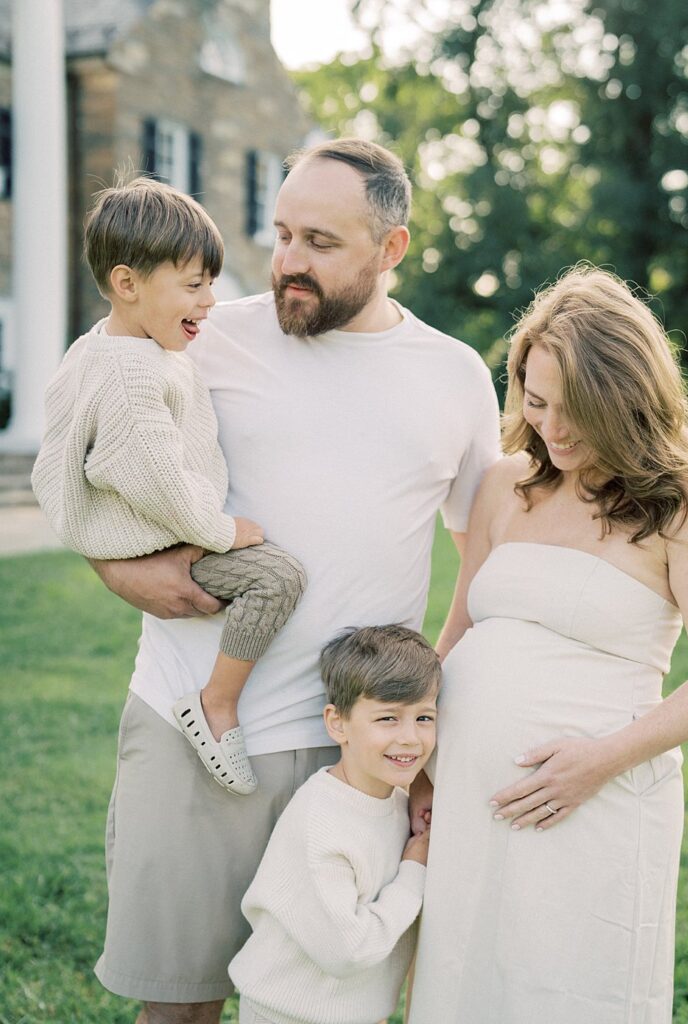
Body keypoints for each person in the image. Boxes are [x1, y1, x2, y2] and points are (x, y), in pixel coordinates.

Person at [85, 138, 501, 1023]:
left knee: (322, 1008)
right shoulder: (197, 333)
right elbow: (83, 450)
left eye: (320, 241)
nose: (287, 264)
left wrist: (425, 716)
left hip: (355, 751)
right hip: (189, 718)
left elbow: (481, 554)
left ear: (391, 249)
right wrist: (119, 568)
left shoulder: (455, 375)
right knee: (179, 1004)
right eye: (280, 235)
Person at [408, 265, 688, 1024]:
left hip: (594, 799)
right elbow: (461, 626)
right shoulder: (505, 485)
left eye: (577, 410)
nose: (554, 428)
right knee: (464, 979)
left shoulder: (686, 504)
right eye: (537, 402)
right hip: (469, 796)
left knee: (567, 993)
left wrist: (598, 761)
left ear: (627, 398)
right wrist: (418, 758)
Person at [31, 177, 307, 796]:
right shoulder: (132, 377)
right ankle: (215, 707)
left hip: (144, 533)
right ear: (128, 284)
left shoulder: (103, 347)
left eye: (209, 282)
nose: (209, 301)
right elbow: (157, 480)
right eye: (193, 285)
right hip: (158, 543)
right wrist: (221, 531)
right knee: (277, 578)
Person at [230, 624, 439, 1024]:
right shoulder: (321, 826)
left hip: (355, 1011)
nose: (411, 737)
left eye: (424, 717)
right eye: (388, 718)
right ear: (337, 723)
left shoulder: (397, 800)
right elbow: (349, 952)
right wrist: (415, 869)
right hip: (290, 1014)